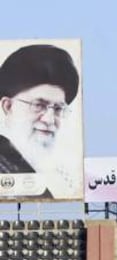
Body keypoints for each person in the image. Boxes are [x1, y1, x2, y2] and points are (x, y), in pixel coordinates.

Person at [0, 44, 79, 199]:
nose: (49, 119)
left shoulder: (56, 173)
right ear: (8, 106)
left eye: (57, 109)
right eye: (38, 105)